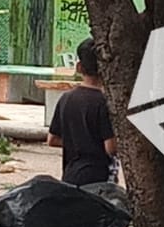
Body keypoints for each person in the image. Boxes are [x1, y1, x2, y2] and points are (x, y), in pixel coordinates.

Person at [47, 38, 117, 186]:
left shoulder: (66, 98)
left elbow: (52, 139)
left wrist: (78, 142)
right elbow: (111, 148)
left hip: (70, 176)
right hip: (99, 180)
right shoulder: (105, 103)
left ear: (79, 67)